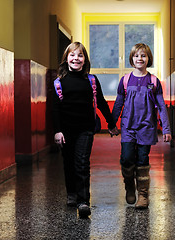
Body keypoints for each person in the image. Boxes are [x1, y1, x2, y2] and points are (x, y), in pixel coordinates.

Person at [52, 42, 119, 217]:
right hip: (66, 131)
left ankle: (83, 202)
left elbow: (102, 103)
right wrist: (58, 131)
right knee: (68, 163)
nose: (76, 58)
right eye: (72, 55)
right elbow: (55, 109)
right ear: (66, 59)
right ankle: (72, 194)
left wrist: (111, 124)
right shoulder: (59, 83)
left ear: (85, 60)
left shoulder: (91, 80)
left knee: (82, 163)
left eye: (80, 55)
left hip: (86, 129)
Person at [112, 43, 172, 209]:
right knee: (126, 158)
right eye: (137, 55)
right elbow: (118, 104)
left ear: (148, 59)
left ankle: (143, 195)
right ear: (132, 59)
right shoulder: (125, 80)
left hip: (147, 128)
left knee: (142, 160)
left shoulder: (153, 81)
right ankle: (129, 185)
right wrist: (112, 124)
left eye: (143, 55)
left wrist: (166, 129)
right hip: (128, 127)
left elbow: (161, 106)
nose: (140, 58)